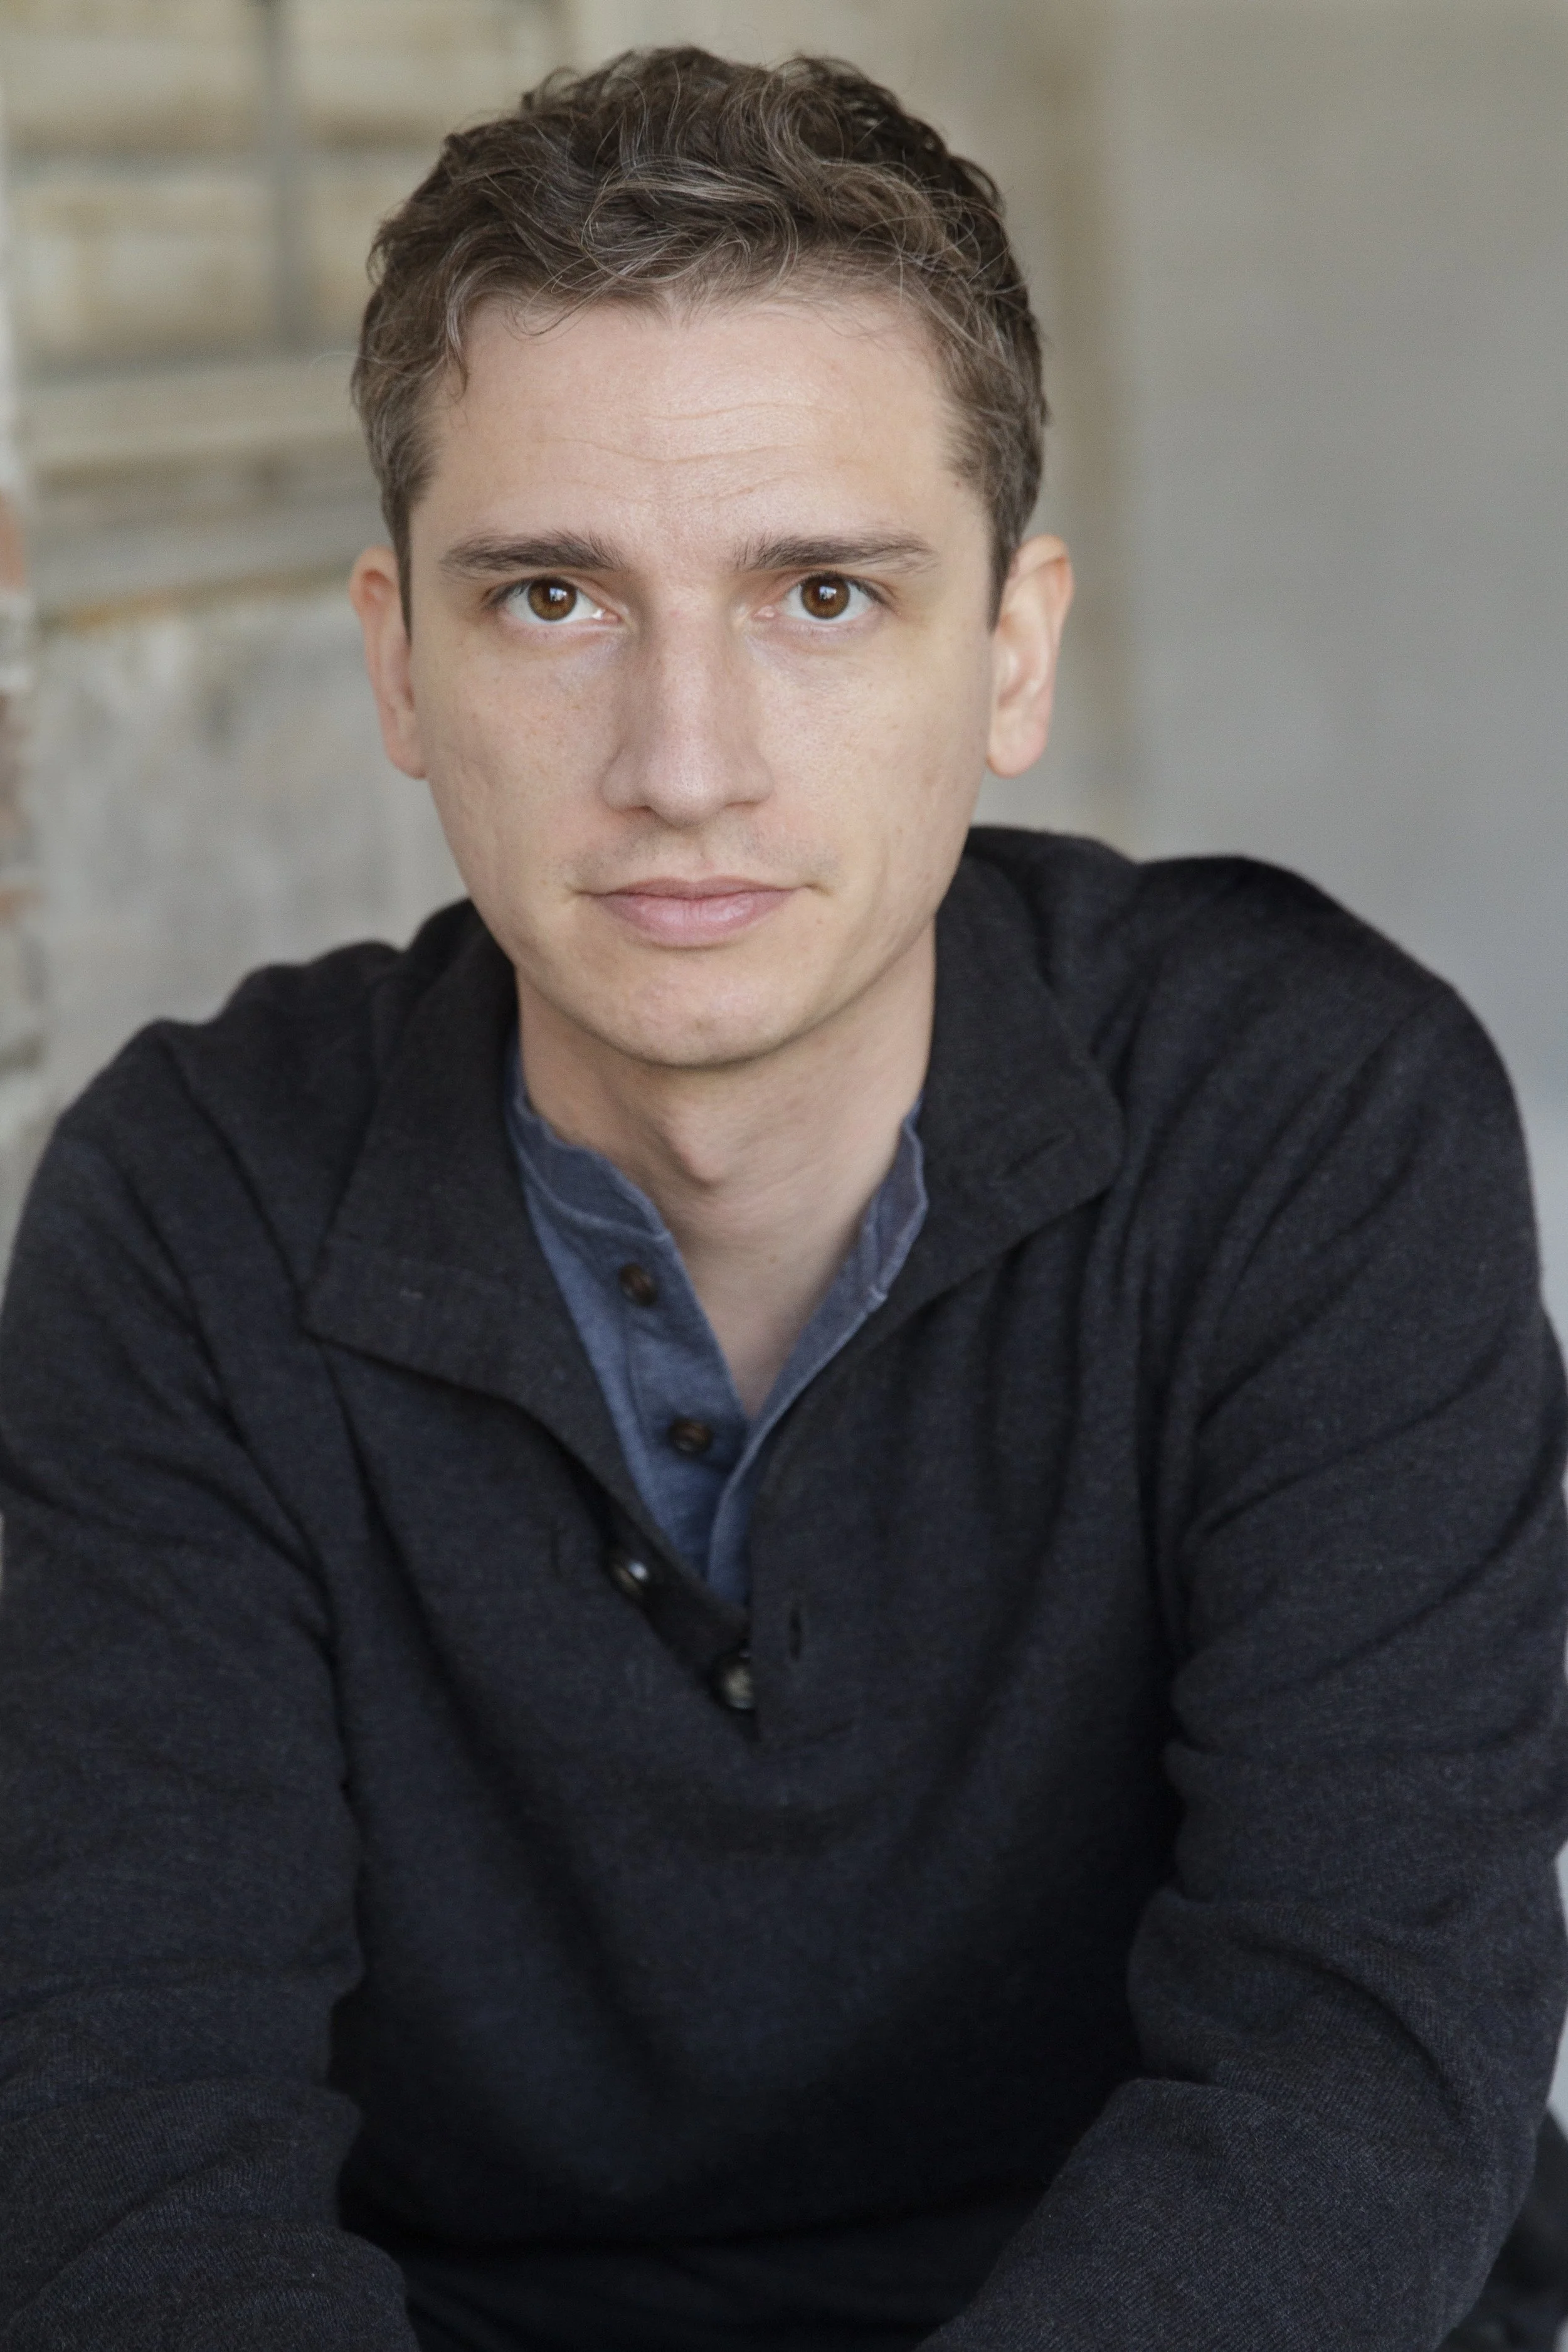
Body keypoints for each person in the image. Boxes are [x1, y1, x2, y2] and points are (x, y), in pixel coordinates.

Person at [0, 46, 1564, 2352]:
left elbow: (1355, 2067)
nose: (684, 761)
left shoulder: (1306, 1120)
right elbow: (124, 2138)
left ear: (1009, 652)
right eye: (553, 597)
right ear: (398, 659)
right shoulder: (190, 1206)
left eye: (821, 592)